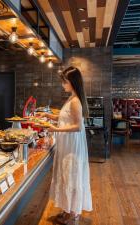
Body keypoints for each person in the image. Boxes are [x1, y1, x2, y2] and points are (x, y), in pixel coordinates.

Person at [38, 66, 92, 224]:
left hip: (72, 146)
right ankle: (67, 210)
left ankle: (73, 214)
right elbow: (64, 118)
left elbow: (78, 126)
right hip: (67, 144)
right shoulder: (71, 97)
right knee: (66, 174)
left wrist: (55, 128)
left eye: (65, 81)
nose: (63, 84)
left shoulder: (75, 101)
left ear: (72, 82)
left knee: (71, 175)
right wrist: (48, 115)